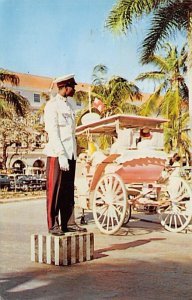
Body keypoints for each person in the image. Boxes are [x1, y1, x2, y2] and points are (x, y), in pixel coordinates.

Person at [43, 74, 87, 236]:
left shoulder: (69, 105)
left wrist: (73, 154)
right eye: (72, 87)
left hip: (71, 154)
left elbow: (71, 133)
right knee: (54, 190)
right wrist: (61, 154)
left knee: (68, 190)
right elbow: (53, 132)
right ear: (65, 87)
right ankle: (52, 224)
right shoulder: (52, 105)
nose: (74, 90)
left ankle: (68, 223)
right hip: (57, 154)